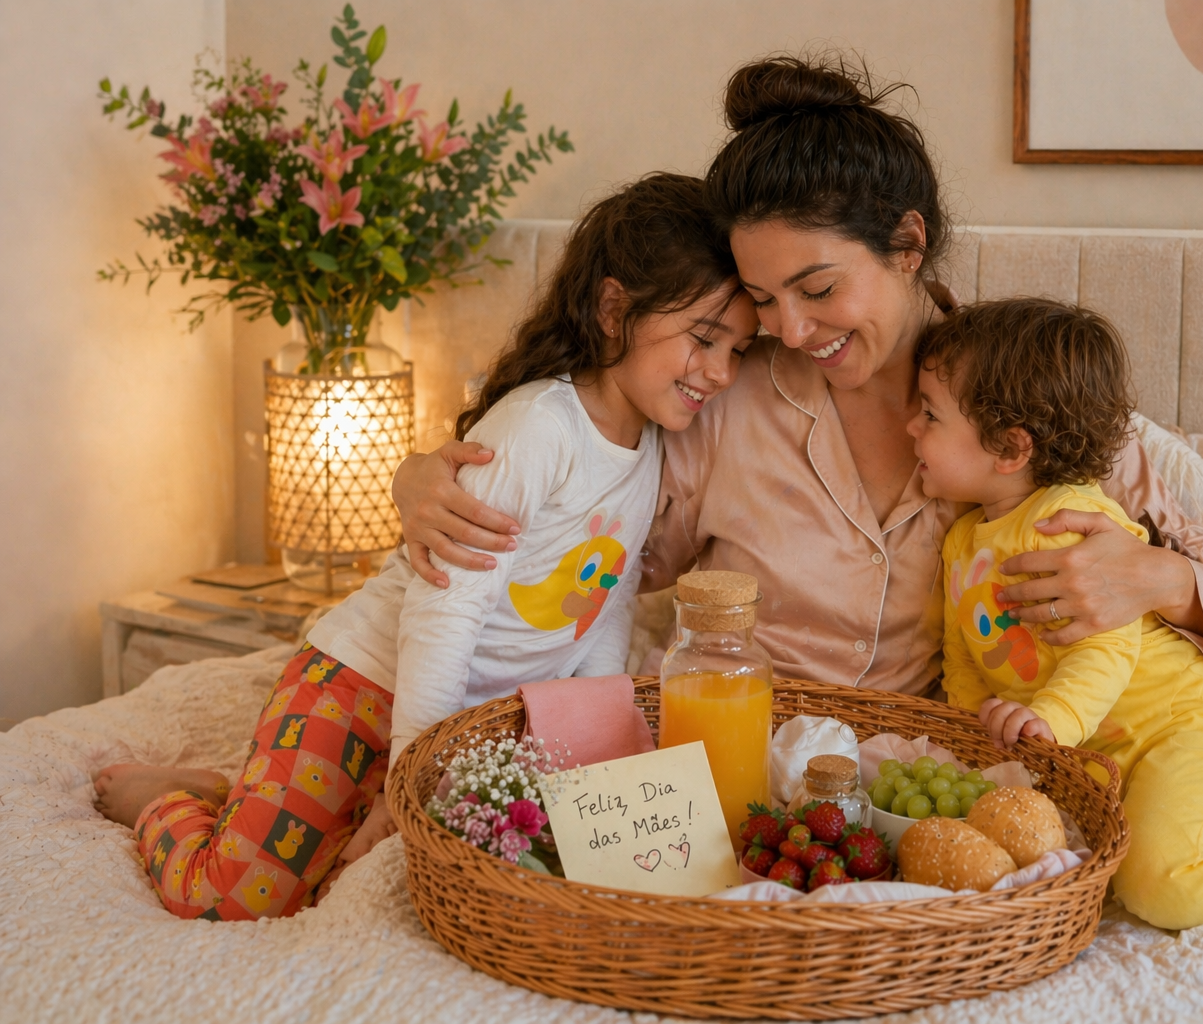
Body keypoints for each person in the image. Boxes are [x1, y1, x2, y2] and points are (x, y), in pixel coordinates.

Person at [392, 54, 1203, 701]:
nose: (791, 332)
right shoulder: (728, 398)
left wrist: (1165, 583)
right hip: (725, 758)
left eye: (818, 289)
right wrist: (434, 477)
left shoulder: (1025, 393)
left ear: (908, 245)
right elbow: (596, 543)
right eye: (764, 300)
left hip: (920, 783)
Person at [92, 173, 758, 919]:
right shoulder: (540, 427)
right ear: (613, 310)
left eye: (738, 349)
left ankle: (249, 791)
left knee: (370, 887)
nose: (722, 373)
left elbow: (605, 606)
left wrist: (594, 741)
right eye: (704, 339)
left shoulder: (655, 446)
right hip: (367, 683)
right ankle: (165, 799)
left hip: (467, 719)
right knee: (234, 898)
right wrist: (412, 776)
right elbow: (448, 610)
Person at [911, 297, 1203, 930]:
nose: (911, 427)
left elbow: (1106, 647)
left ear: (1010, 448)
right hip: (1090, 760)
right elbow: (965, 654)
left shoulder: (1067, 520)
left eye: (930, 415)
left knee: (1160, 884)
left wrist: (1050, 720)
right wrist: (973, 733)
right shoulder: (964, 541)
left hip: (1183, 734)